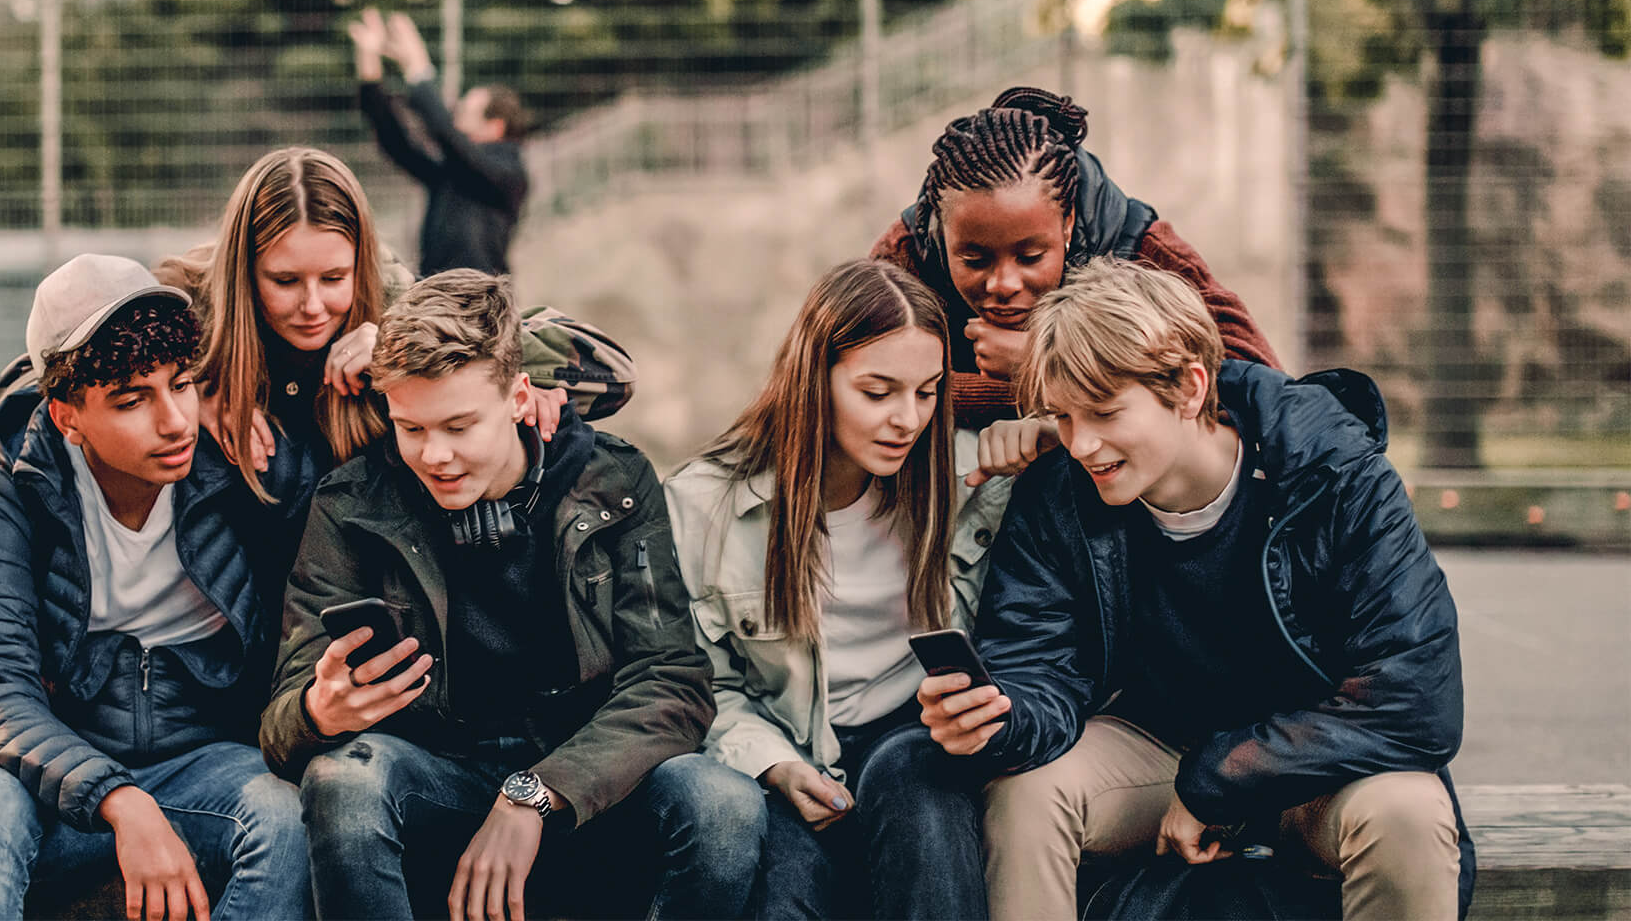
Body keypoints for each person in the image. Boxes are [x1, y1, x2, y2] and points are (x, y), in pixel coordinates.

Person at [919, 258, 1472, 921]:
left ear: (1188, 387)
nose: (1083, 444)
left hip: (1319, 763)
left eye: (1104, 412)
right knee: (1028, 792)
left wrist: (1222, 779)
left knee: (1409, 812)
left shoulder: (1334, 472)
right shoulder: (1060, 490)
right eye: (1062, 418)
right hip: (1156, 750)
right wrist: (999, 719)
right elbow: (1038, 664)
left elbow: (1417, 698)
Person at [261, 269, 764, 920]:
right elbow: (280, 726)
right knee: (343, 780)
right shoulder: (351, 505)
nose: (433, 455)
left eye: (459, 426)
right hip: (438, 776)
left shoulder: (615, 481)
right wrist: (318, 711)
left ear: (520, 396)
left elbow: (672, 682)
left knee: (724, 805)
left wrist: (537, 793)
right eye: (411, 429)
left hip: (589, 781)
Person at [0, 255, 310, 921]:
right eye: (133, 400)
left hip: (208, 768)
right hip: (61, 780)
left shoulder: (241, 465)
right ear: (68, 415)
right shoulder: (13, 494)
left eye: (182, 385)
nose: (174, 421)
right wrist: (119, 800)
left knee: (292, 816)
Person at [664, 259, 999, 919]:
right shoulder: (705, 506)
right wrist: (775, 766)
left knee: (916, 790)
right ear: (815, 380)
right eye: (879, 392)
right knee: (784, 891)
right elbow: (705, 681)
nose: (907, 419)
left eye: (928, 393)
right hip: (794, 749)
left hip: (921, 736)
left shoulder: (973, 480)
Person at [158, 146, 630, 509]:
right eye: (284, 281)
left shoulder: (394, 297)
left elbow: (613, 376)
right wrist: (183, 390)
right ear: (244, 270)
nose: (313, 305)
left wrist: (401, 344)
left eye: (334, 278)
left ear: (360, 264)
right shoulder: (181, 305)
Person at [870, 86, 1280, 449]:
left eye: (1031, 257)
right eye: (974, 261)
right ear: (942, 234)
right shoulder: (907, 255)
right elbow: (846, 382)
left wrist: (1048, 369)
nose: (1003, 284)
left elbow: (1261, 388)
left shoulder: (1143, 250)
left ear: (1067, 223)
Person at [353, 8, 530, 277]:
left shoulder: (508, 174)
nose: (455, 115)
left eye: (465, 112)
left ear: (495, 126)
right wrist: (370, 70)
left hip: (481, 303)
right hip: (435, 298)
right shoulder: (454, 172)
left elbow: (447, 136)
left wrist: (417, 68)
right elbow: (396, 143)